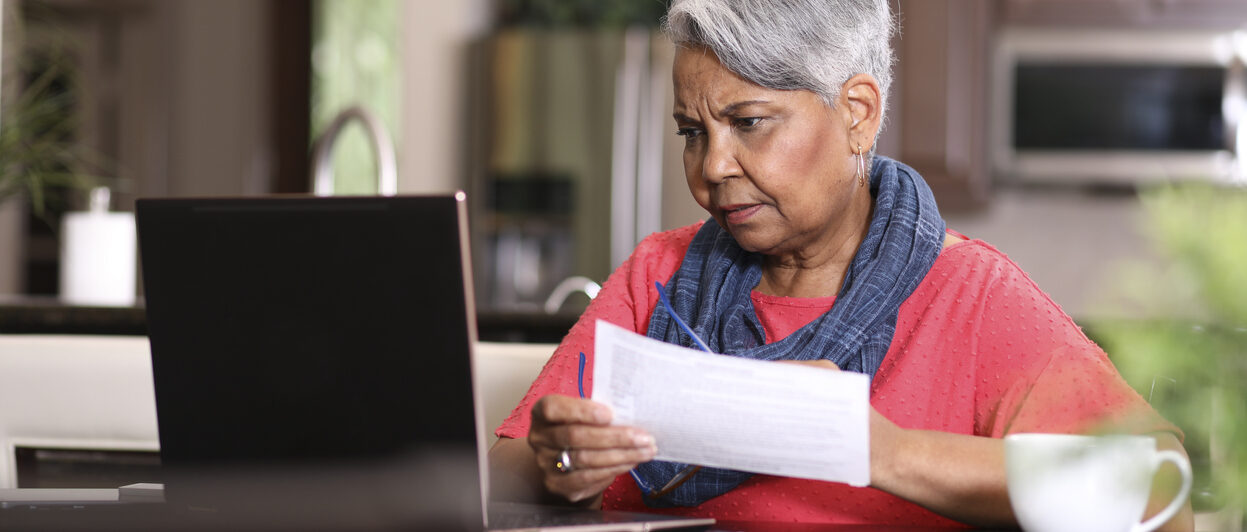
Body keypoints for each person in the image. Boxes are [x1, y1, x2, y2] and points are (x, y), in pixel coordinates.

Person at [488, 0, 1193, 528]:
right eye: (691, 132)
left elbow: (1158, 494)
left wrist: (878, 451)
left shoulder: (973, 300)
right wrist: (558, 462)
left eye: (748, 122)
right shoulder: (658, 275)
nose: (712, 167)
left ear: (856, 112)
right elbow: (500, 474)